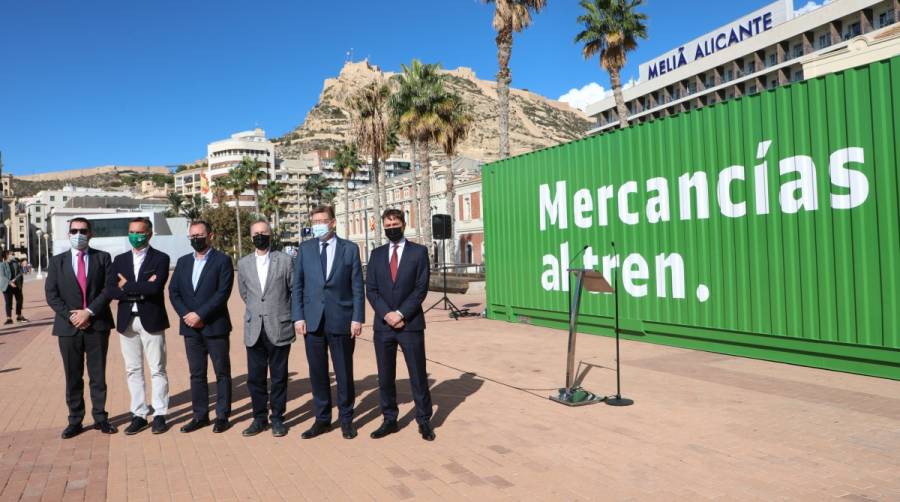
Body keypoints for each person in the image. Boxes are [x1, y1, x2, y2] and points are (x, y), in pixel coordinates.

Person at [292, 205, 364, 440]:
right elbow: (298, 286)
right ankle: (322, 419)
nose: (318, 225)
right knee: (318, 373)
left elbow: (356, 287)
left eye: (323, 220)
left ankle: (346, 420)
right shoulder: (305, 249)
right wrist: (298, 316)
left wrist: (357, 318)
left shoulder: (350, 249)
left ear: (333, 222)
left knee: (344, 372)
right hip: (312, 322)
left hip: (341, 320)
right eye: (315, 221)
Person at [44, 217, 117, 439]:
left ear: (90, 233)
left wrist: (89, 312)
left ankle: (100, 418)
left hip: (97, 325)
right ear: (68, 234)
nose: (78, 234)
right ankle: (75, 420)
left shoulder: (103, 258)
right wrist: (72, 316)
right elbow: (51, 294)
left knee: (98, 375)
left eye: (82, 230)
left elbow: (108, 289)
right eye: (74, 230)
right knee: (73, 376)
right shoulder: (57, 262)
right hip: (68, 328)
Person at [366, 209, 435, 441]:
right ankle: (389, 419)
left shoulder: (418, 252)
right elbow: (372, 290)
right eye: (387, 224)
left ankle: (424, 420)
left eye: (395, 223)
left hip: (410, 324)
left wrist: (401, 313)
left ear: (404, 224)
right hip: (383, 326)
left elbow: (420, 289)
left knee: (417, 375)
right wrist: (387, 314)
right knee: (385, 376)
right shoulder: (376, 255)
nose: (391, 227)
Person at [106, 217, 171, 435]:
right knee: (133, 369)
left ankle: (160, 413)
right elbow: (111, 290)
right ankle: (139, 414)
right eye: (131, 231)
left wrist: (127, 286)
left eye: (139, 232)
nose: (135, 235)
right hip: (127, 322)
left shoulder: (161, 258)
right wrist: (140, 286)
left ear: (149, 234)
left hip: (151, 320)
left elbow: (155, 288)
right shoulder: (119, 260)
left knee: (157, 369)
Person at [168, 220, 234, 433]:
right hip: (190, 328)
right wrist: (187, 315)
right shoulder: (183, 261)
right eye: (192, 236)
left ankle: (222, 415)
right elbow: (174, 291)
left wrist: (201, 314)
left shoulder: (223, 261)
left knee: (221, 372)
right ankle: (200, 415)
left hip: (215, 326)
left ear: (210, 236)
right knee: (197, 374)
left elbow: (222, 293)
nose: (196, 239)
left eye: (200, 235)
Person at [237, 219, 295, 437]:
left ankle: (278, 418)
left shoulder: (285, 260)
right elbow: (245, 294)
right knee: (255, 378)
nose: (260, 236)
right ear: (251, 237)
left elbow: (292, 290)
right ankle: (259, 418)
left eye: (264, 232)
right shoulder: (243, 264)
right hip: (254, 329)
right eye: (256, 233)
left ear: (271, 235)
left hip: (279, 326)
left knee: (279, 376)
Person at [1, 251, 27, 324]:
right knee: (8, 302)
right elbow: (2, 276)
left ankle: (19, 316)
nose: (13, 255)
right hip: (6, 285)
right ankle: (9, 318)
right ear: (7, 256)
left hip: (16, 285)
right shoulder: (2, 265)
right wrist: (10, 282)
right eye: (12, 254)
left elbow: (21, 272)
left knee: (19, 300)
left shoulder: (15, 263)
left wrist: (15, 279)